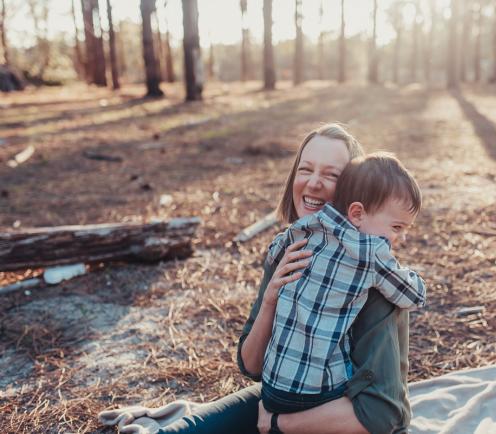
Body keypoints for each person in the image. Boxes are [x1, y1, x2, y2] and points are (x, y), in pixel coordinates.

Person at [158, 124, 413, 434]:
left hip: (345, 418)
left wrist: (279, 424)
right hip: (287, 397)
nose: (314, 183)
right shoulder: (291, 248)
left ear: (355, 194)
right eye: (305, 169)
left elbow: (382, 412)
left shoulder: (372, 274)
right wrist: (270, 301)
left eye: (331, 175)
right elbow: (251, 366)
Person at [261, 153, 427, 421]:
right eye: (396, 227)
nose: (400, 237)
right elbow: (413, 296)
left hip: (271, 386)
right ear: (357, 213)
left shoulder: (310, 224)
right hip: (315, 394)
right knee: (372, 402)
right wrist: (407, 273)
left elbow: (276, 249)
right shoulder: (370, 251)